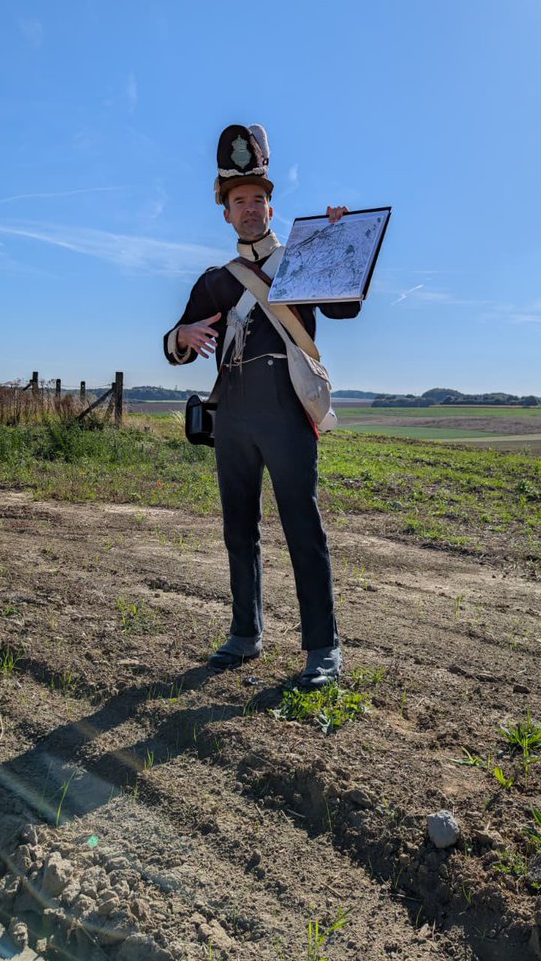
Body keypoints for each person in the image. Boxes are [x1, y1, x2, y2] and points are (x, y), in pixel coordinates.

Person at [164, 123, 359, 686]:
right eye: (239, 202)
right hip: (232, 414)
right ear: (227, 214)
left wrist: (338, 241)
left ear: (271, 208)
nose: (249, 209)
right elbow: (177, 343)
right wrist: (181, 337)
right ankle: (245, 634)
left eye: (257, 200)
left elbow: (345, 307)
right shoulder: (214, 281)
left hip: (285, 409)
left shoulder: (301, 261)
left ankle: (322, 648)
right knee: (238, 528)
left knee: (303, 527)